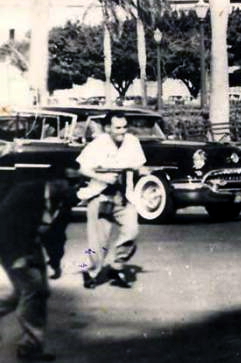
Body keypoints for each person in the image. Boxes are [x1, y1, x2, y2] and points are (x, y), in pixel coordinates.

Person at [76, 110, 146, 289]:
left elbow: (139, 165)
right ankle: (90, 271)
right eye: (117, 127)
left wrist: (139, 169)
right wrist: (103, 177)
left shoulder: (132, 142)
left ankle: (117, 266)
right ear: (107, 128)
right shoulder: (98, 144)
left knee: (131, 232)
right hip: (100, 195)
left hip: (123, 196)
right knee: (99, 241)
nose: (122, 131)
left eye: (124, 127)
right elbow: (82, 169)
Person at [0, 177, 63, 361]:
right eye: (63, 180)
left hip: (32, 245)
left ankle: (31, 345)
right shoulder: (26, 191)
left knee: (31, 293)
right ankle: (29, 348)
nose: (66, 185)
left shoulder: (63, 198)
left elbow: (57, 233)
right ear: (52, 180)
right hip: (11, 245)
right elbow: (4, 225)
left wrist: (55, 262)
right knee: (33, 291)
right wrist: (18, 257)